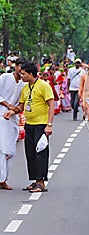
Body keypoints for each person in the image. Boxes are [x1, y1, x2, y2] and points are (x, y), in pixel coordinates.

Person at [5, 61, 54, 193]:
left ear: (31, 74)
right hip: (29, 124)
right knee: (30, 153)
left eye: (23, 73)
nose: (21, 76)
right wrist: (12, 111)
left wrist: (49, 125)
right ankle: (34, 180)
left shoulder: (43, 86)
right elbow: (21, 106)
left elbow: (51, 105)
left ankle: (41, 182)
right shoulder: (25, 88)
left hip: (41, 124)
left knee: (40, 153)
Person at [0, 57, 26, 189]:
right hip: (1, 114)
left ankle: (4, 178)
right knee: (2, 149)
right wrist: (7, 105)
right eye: (19, 66)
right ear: (15, 66)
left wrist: (14, 110)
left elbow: (21, 104)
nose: (21, 70)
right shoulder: (5, 77)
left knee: (10, 150)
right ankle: (1, 179)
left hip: (13, 117)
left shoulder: (24, 84)